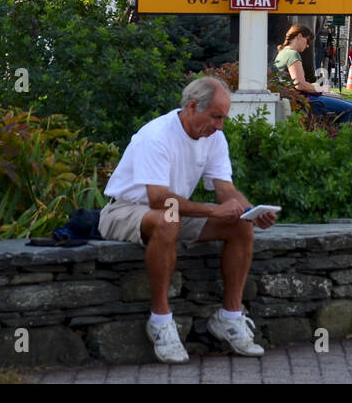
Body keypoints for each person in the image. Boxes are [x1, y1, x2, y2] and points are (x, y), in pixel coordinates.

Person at [98, 76, 276, 364]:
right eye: (216, 117)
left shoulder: (213, 137)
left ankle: (229, 317)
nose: (220, 125)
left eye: (223, 118)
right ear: (193, 107)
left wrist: (252, 211)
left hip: (173, 214)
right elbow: (158, 199)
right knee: (168, 220)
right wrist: (210, 210)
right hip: (124, 210)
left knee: (240, 225)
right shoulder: (156, 135)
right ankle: (160, 321)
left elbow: (225, 190)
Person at [274, 24, 352, 124]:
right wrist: (322, 90)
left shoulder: (282, 52)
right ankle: (343, 137)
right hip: (303, 100)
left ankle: (334, 133)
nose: (307, 45)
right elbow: (300, 85)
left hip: (294, 98)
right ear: (299, 36)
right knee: (351, 109)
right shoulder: (292, 54)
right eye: (307, 41)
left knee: (350, 104)